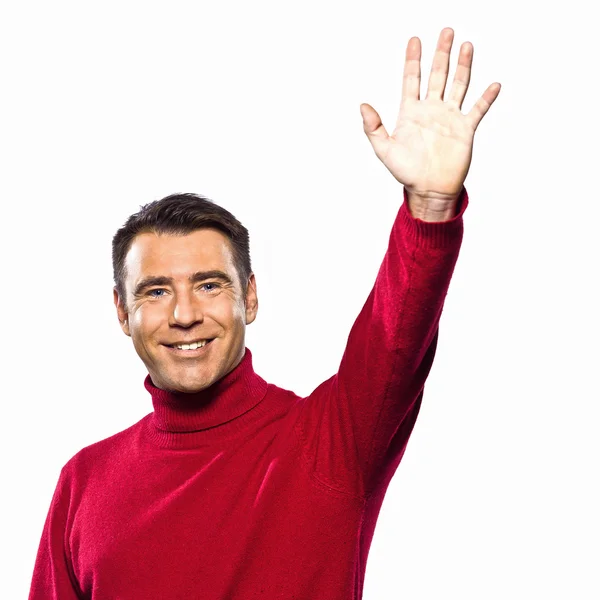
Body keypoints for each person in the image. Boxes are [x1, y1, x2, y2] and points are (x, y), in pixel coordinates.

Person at [28, 27, 500, 599]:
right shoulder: (83, 484)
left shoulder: (329, 444)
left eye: (208, 284)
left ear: (249, 297)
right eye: (154, 291)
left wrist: (429, 209)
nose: (184, 314)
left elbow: (395, 337)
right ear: (122, 311)